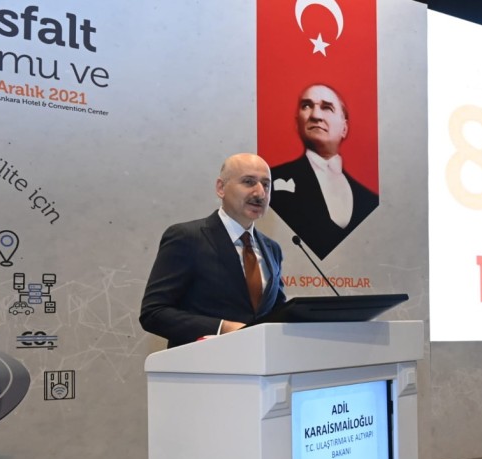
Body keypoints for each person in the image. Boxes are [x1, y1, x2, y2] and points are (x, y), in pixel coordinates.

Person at [140, 153, 286, 348]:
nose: (260, 193)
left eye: (266, 185)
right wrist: (222, 328)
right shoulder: (187, 238)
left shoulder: (272, 249)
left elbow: (277, 312)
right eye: (249, 182)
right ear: (221, 188)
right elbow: (153, 313)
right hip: (202, 363)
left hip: (259, 362)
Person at [271, 83, 379, 259]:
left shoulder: (369, 200)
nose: (315, 115)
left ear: (344, 128)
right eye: (307, 106)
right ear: (297, 123)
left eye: (327, 108)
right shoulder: (270, 181)